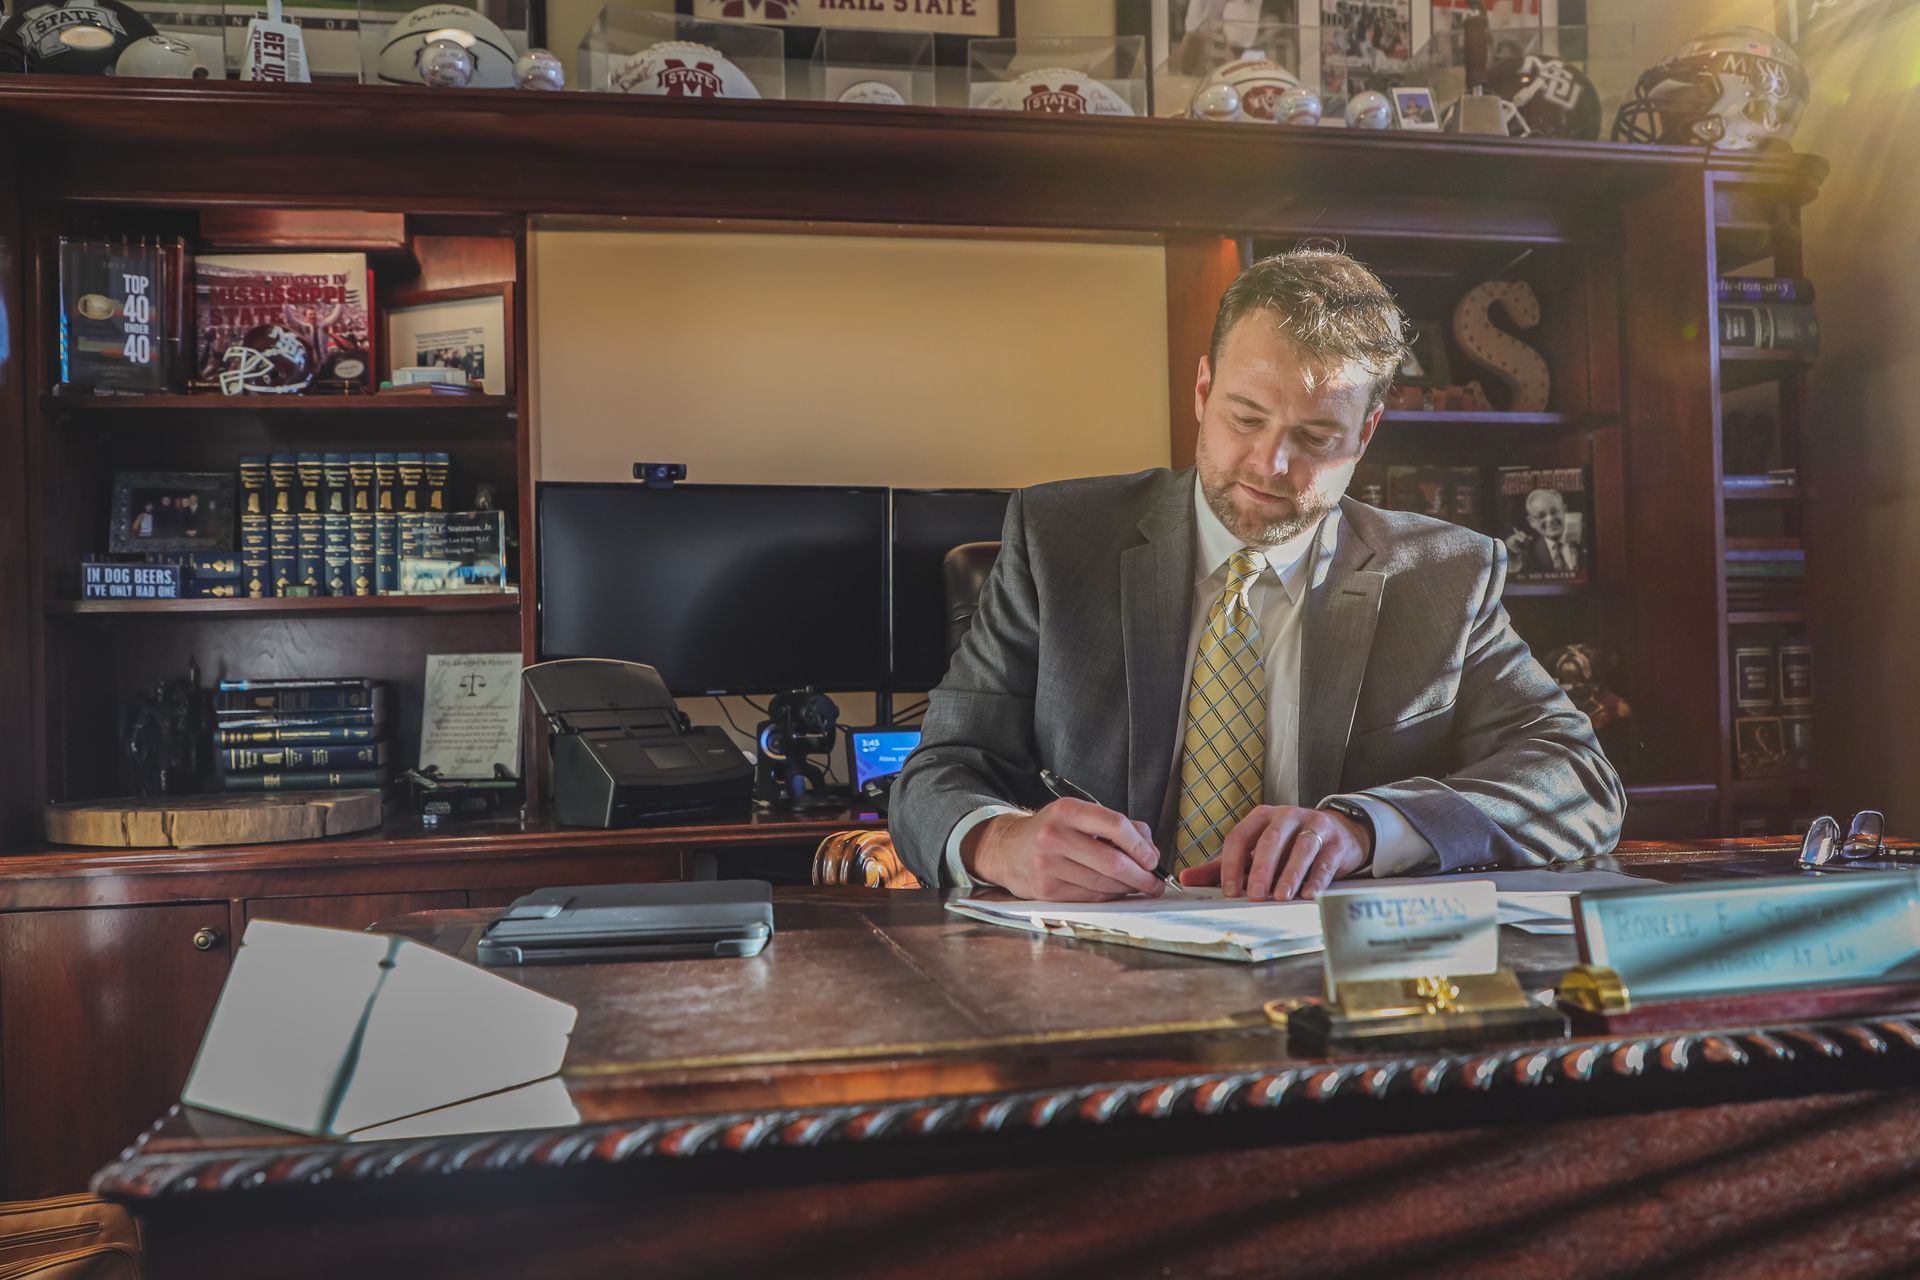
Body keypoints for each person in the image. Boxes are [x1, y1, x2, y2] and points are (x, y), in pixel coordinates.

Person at [890, 248, 1624, 902]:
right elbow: (940, 771)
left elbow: (1578, 781)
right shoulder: (1058, 539)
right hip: (1091, 969)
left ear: (1365, 433)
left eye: (1315, 438)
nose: (1269, 467)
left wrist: (1367, 832)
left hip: (1328, 982)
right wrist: (1000, 843)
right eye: (1245, 418)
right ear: (1204, 391)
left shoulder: (1444, 575)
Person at [1506, 487, 1582, 574]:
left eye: (1554, 511)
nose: (1550, 519)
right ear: (1532, 522)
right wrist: (1513, 557)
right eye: (1541, 515)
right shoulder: (1526, 551)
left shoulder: (1582, 542)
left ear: (1564, 510)